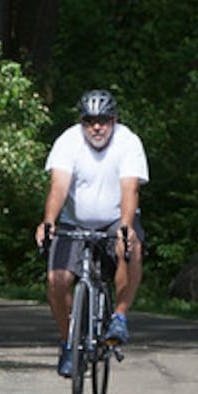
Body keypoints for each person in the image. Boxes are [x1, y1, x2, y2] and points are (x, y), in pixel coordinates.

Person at [34, 89, 148, 378]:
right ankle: (69, 342)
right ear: (81, 122)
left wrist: (125, 225)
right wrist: (48, 221)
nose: (96, 127)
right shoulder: (68, 142)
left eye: (103, 121)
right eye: (89, 121)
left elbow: (129, 188)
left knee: (129, 248)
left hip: (115, 217)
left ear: (114, 120)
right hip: (75, 221)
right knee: (56, 280)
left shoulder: (128, 142)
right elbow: (58, 187)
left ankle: (119, 316)